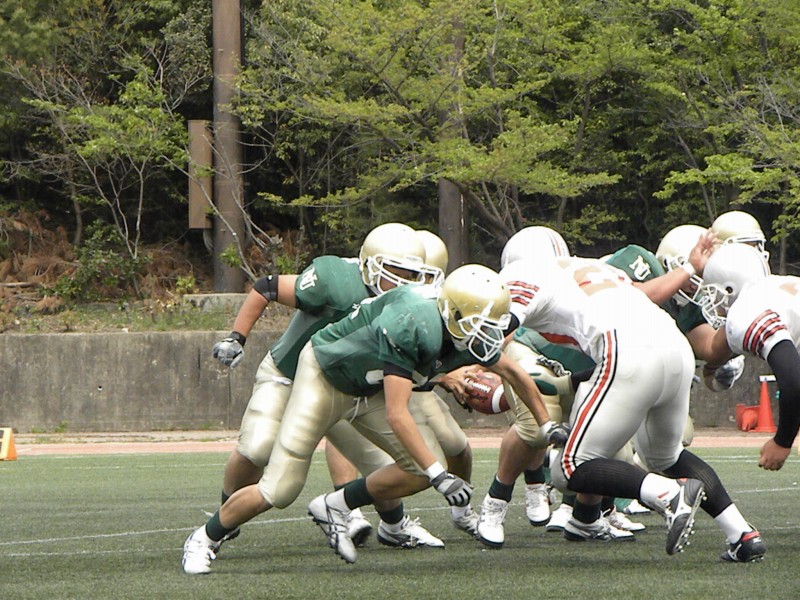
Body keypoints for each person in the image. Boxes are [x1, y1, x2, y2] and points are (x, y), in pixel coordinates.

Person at [183, 265, 562, 572]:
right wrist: (440, 477)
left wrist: (547, 426)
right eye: (482, 323)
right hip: (325, 377)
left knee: (417, 469)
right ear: (453, 313)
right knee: (280, 489)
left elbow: (514, 373)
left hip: (366, 387)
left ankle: (334, 505)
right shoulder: (413, 325)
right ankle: (205, 537)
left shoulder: (461, 331)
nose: (489, 333)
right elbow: (398, 413)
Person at [200, 222, 446, 564]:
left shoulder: (411, 305)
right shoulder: (335, 281)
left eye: (412, 274)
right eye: (396, 271)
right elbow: (267, 286)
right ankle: (225, 516)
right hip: (288, 376)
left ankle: (394, 526)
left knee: (382, 465)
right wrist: (236, 337)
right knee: (256, 447)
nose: (404, 282)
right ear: (371, 265)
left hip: (343, 389)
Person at [498, 253, 762, 561]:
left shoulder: (522, 276)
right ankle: (742, 534)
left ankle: (669, 494)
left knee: (570, 468)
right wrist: (567, 383)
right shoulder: (598, 269)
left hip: (628, 351)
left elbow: (501, 331)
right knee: (666, 456)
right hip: (673, 345)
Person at [696, 243, 798, 477]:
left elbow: (793, 380)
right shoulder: (777, 285)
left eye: (715, 293)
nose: (714, 302)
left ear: (730, 288)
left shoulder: (745, 313)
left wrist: (782, 441)